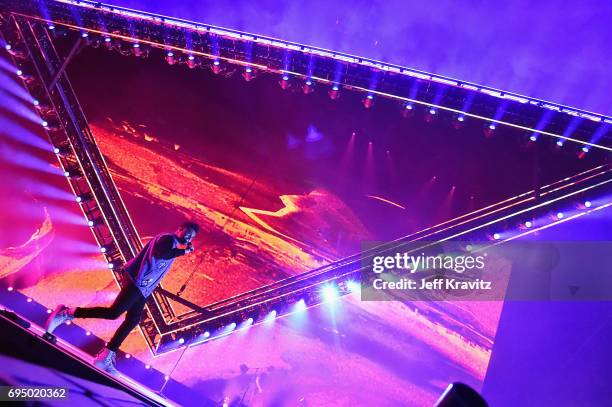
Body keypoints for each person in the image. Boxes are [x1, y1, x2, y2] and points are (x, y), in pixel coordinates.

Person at [45, 221, 200, 376]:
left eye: (191, 237)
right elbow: (161, 254)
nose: (188, 238)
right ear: (179, 229)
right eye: (187, 233)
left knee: (133, 320)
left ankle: (106, 356)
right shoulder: (166, 239)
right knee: (113, 313)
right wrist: (183, 252)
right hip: (137, 281)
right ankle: (66, 313)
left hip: (144, 287)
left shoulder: (172, 245)